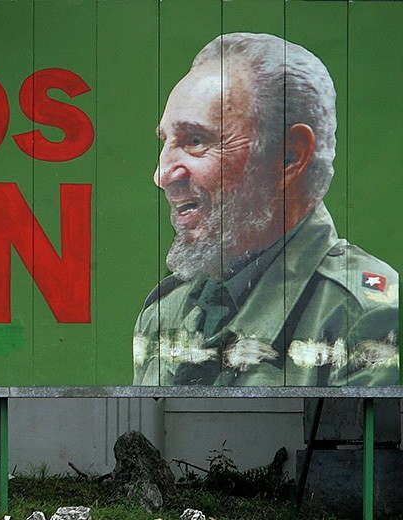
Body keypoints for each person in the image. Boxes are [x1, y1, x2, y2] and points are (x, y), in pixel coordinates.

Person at [133, 32, 399, 386]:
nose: (163, 175)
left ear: (290, 156)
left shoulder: (365, 318)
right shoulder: (166, 312)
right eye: (166, 143)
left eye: (195, 141)